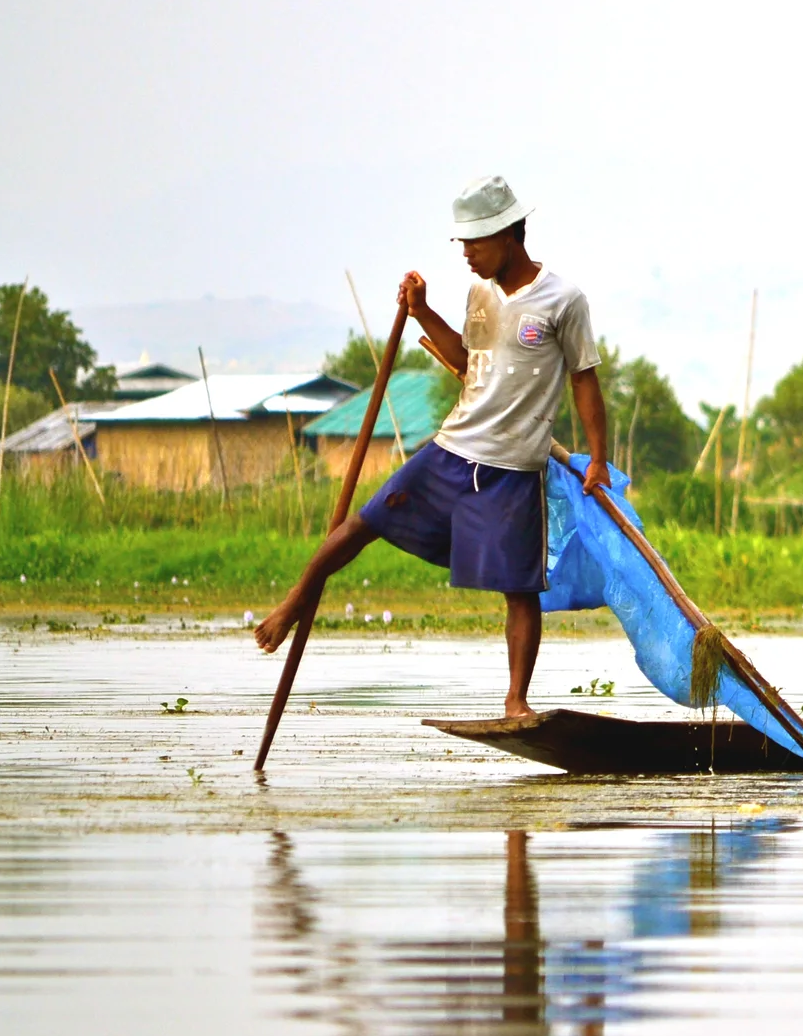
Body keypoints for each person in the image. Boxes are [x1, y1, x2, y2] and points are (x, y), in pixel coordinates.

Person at [254, 176, 612, 718]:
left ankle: (516, 701)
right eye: (462, 243)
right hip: (452, 449)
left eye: (475, 242)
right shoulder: (479, 294)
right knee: (363, 523)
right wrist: (421, 311)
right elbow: (468, 360)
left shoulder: (563, 300)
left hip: (513, 467)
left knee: (520, 588)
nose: (466, 254)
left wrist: (599, 459)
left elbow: (584, 379)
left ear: (509, 234)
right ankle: (293, 603)